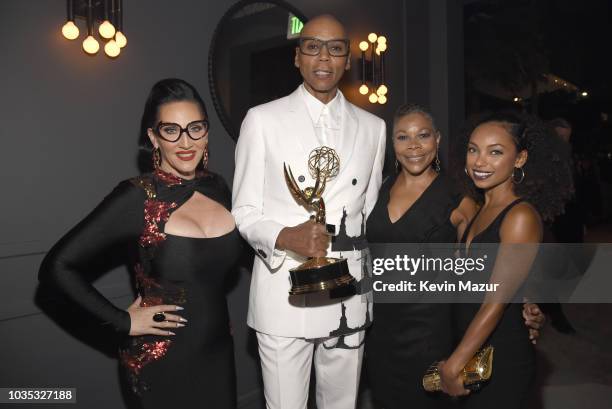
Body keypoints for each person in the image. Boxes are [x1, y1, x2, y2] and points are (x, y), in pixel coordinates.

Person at [39, 78, 240, 409]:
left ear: (206, 132)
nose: (186, 141)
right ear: (153, 137)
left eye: (195, 128)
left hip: (218, 355)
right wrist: (123, 321)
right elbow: (57, 267)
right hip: (160, 363)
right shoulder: (137, 197)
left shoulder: (218, 187)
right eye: (171, 130)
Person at [232, 14, 386, 409]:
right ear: (297, 56)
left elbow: (365, 210)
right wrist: (286, 237)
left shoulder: (374, 128)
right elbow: (244, 211)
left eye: (335, 48)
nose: (324, 57)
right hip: (284, 296)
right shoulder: (262, 120)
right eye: (313, 46)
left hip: (348, 297)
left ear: (347, 60)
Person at [365, 105, 544, 409]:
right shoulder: (378, 189)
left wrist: (527, 297)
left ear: (437, 140)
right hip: (381, 329)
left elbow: (498, 275)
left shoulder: (459, 199)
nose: (413, 145)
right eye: (402, 137)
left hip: (432, 333)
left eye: (423, 135)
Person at [441, 111, 572, 408]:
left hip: (501, 355)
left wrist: (454, 365)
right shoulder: (477, 208)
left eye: (495, 152)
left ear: (520, 159)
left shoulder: (520, 216)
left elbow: (495, 302)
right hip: (470, 346)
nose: (479, 161)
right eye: (473, 149)